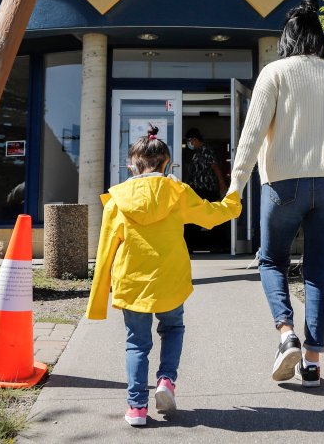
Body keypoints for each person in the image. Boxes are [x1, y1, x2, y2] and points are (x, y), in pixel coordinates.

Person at [228, 0, 324, 388]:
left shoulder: (275, 73)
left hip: (284, 183)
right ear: (321, 39)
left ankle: (286, 334)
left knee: (272, 261)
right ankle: (313, 363)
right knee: (319, 269)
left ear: (286, 39)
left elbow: (252, 135)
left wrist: (236, 185)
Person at [86, 125, 241, 427]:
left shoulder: (116, 200)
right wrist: (233, 204)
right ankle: (166, 381)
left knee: (136, 344)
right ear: (168, 165)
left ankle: (136, 408)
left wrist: (98, 296)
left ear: (131, 166)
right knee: (172, 329)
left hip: (132, 283)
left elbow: (105, 250)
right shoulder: (177, 191)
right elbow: (210, 215)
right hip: (170, 279)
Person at [184, 128, 227, 201]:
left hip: (206, 189)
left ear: (195, 140)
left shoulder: (207, 150)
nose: (189, 144)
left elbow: (215, 167)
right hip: (197, 190)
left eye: (189, 141)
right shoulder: (196, 153)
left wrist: (221, 183)